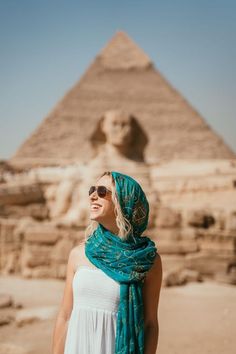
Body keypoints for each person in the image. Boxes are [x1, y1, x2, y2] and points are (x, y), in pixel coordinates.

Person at [52, 171, 162, 354]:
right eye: (92, 190)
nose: (93, 196)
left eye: (102, 191)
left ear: (124, 201)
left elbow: (150, 324)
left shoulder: (147, 261)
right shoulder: (78, 254)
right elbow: (65, 315)